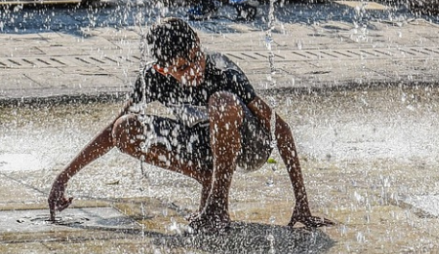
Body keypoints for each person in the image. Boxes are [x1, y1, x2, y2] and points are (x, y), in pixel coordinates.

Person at [48, 17, 333, 233]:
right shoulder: (153, 78)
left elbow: (279, 129)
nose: (195, 70)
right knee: (124, 128)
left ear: (198, 42)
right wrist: (64, 176)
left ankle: (217, 206)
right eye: (183, 68)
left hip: (250, 146)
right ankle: (205, 177)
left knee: (222, 102)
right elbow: (110, 134)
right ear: (163, 69)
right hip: (203, 144)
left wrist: (302, 203)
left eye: (196, 58)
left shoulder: (223, 73)